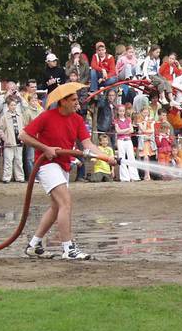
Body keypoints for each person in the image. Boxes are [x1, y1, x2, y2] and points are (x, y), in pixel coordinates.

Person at [19, 85, 116, 260]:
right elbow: (23, 135)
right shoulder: (47, 116)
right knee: (66, 203)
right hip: (46, 164)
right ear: (62, 102)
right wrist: (45, 148)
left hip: (63, 165)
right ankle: (68, 249)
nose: (76, 103)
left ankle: (34, 245)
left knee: (57, 206)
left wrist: (105, 157)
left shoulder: (77, 120)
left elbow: (87, 145)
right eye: (72, 100)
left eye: (76, 100)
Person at [0, 96, 26, 183]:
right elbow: (0, 129)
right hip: (9, 143)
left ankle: (19, 177)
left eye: (15, 105)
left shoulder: (20, 116)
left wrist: (23, 137)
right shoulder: (4, 117)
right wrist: (5, 139)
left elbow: (24, 127)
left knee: (19, 160)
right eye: (12, 105)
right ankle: (6, 177)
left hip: (19, 142)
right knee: (8, 161)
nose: (13, 107)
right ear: (8, 106)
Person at [114, 103, 140, 182]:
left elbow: (131, 130)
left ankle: (134, 176)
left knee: (131, 157)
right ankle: (124, 177)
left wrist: (124, 131)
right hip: (121, 141)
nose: (122, 112)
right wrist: (126, 130)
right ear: (118, 112)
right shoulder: (116, 120)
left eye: (123, 111)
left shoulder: (128, 119)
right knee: (122, 158)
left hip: (128, 140)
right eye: (120, 111)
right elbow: (118, 131)